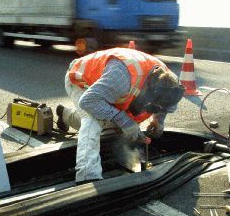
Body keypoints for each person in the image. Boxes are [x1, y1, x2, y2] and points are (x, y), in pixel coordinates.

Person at [56, 47, 185, 184]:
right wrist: (126, 123)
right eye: (156, 107)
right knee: (93, 120)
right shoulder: (123, 78)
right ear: (149, 91)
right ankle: (88, 175)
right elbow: (89, 101)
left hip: (108, 88)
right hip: (82, 80)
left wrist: (159, 120)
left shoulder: (171, 84)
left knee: (112, 128)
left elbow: (166, 106)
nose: (157, 110)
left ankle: (65, 114)